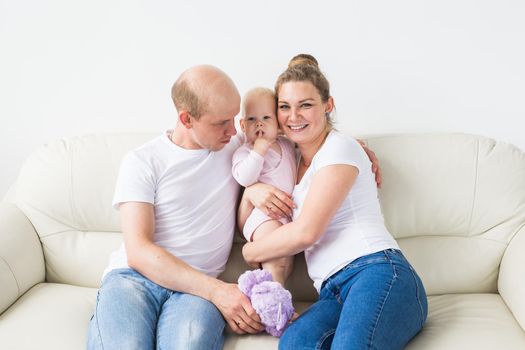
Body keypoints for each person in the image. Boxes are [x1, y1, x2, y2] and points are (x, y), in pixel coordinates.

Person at [241, 54, 428, 350]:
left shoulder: (341, 147)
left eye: (306, 105)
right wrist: (252, 190)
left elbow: (306, 232)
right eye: (285, 107)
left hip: (377, 271)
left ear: (328, 106)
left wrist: (250, 251)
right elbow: (244, 201)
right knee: (293, 344)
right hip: (332, 292)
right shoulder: (288, 160)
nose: (294, 116)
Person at [86, 65, 267, 350]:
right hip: (134, 280)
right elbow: (139, 252)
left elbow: (297, 137)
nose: (233, 130)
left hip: (195, 294)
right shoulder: (143, 161)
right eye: (222, 122)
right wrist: (219, 292)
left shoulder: (234, 145)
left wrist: (349, 148)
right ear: (186, 118)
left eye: (234, 118)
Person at [232, 87, 296, 285]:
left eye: (266, 117)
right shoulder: (244, 152)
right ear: (243, 125)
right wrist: (258, 151)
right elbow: (245, 178)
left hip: (287, 217)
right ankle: (275, 303)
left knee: (286, 265)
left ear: (278, 123)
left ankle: (267, 292)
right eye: (251, 119)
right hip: (261, 217)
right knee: (275, 262)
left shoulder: (287, 145)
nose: (259, 123)